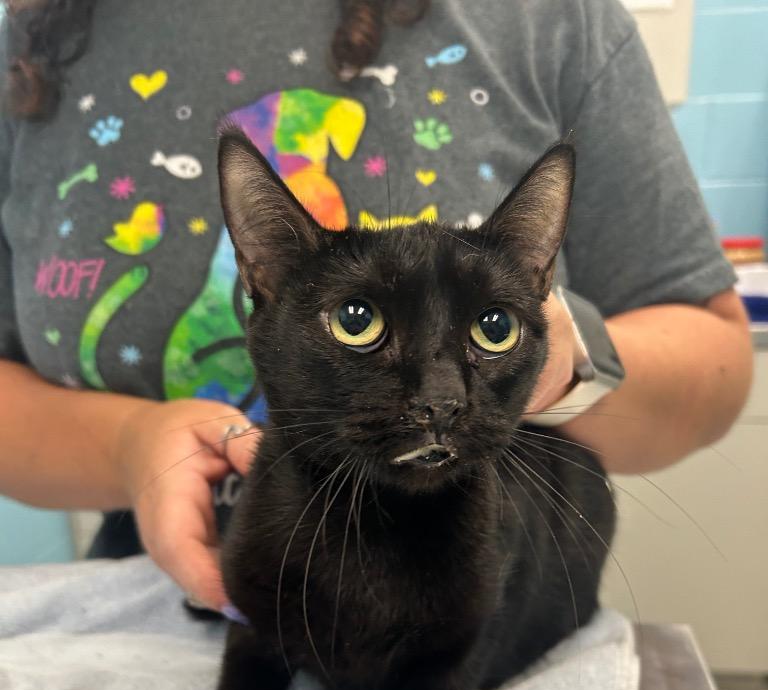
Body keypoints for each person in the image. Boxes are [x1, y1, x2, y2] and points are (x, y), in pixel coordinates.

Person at [0, 0, 753, 614]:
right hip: (162, 615)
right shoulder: (35, 46)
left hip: (472, 604)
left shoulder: (550, 19)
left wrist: (561, 354)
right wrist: (126, 445)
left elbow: (715, 359)